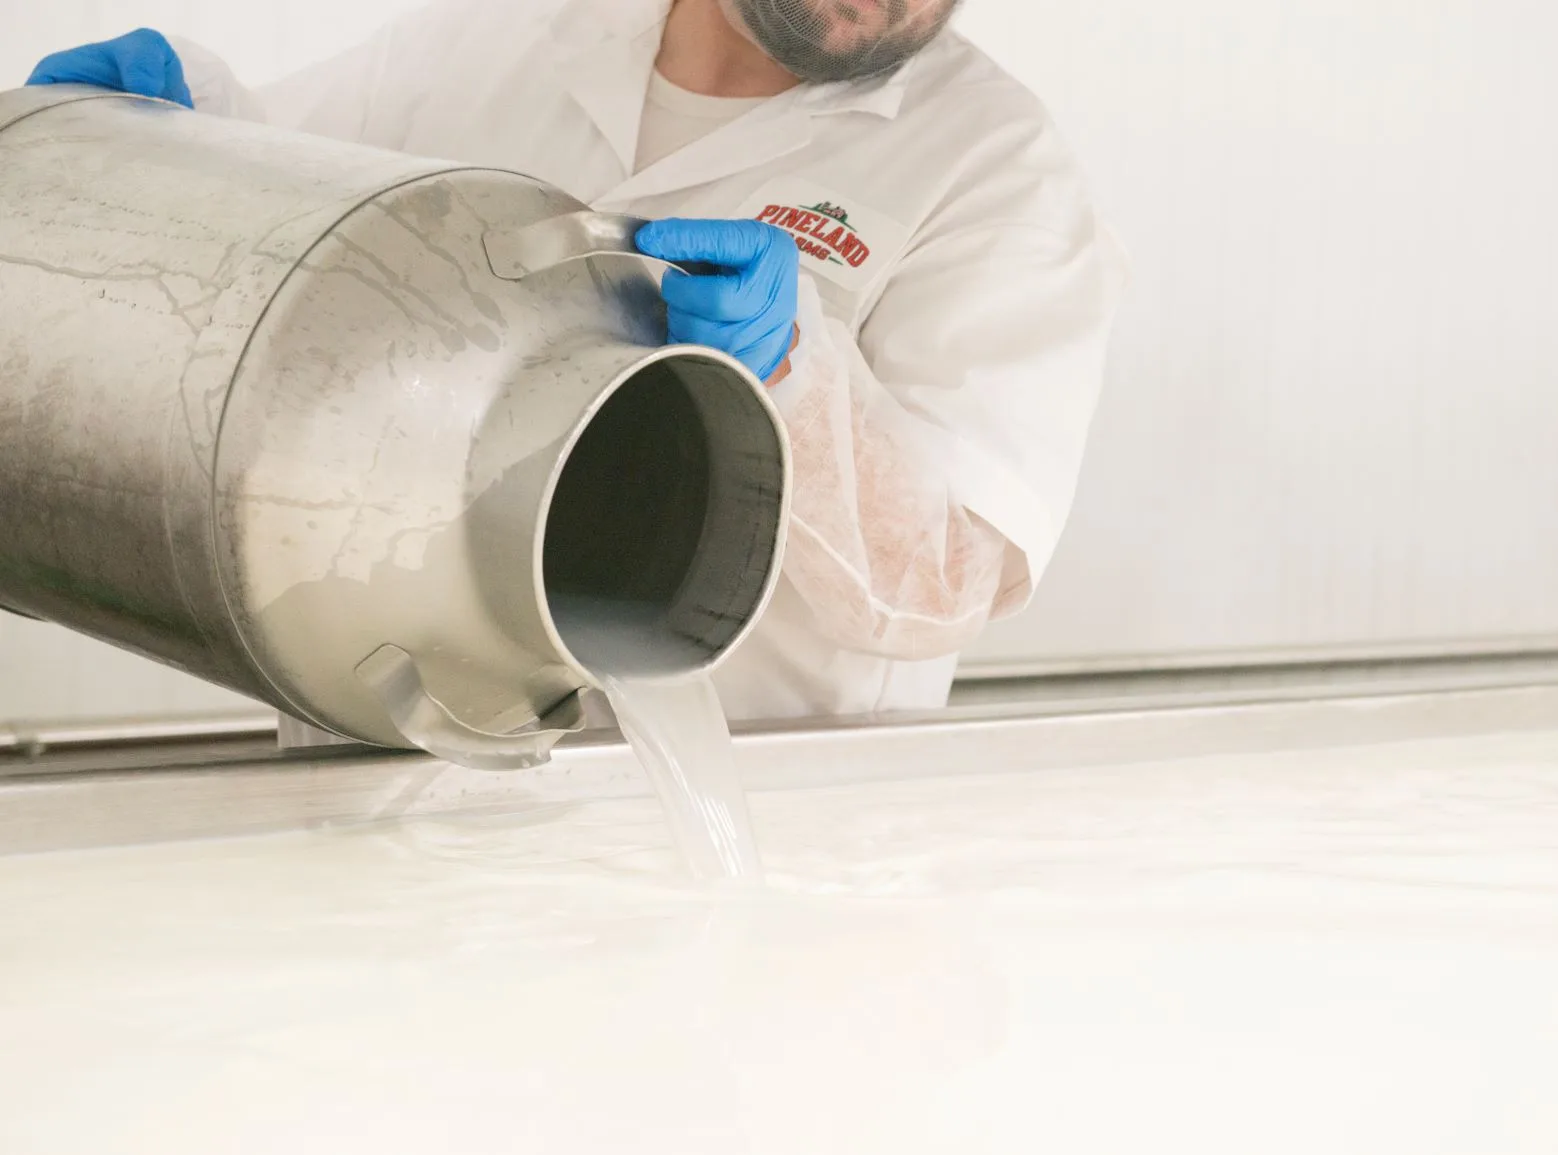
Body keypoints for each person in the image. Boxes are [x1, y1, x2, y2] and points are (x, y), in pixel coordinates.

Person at [26, 0, 1126, 722]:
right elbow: (295, 235)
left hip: (780, 842)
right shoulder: (509, 33)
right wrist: (163, 136)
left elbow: (948, 583)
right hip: (424, 769)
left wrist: (791, 378)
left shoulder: (996, 170)